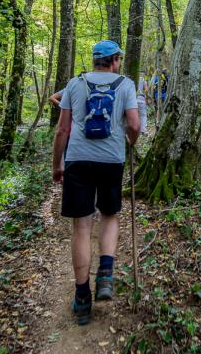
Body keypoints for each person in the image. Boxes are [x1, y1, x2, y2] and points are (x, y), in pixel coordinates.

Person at [52, 40, 139, 326]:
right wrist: (131, 141)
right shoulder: (125, 84)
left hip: (78, 160)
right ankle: (105, 274)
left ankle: (81, 299)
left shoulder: (75, 84)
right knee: (110, 215)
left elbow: (63, 129)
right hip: (111, 160)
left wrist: (57, 165)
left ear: (94, 60)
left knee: (81, 225)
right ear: (115, 60)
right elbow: (135, 125)